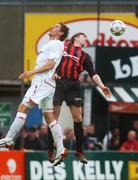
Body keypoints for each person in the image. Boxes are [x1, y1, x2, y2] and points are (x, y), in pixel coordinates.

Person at [0, 22, 69, 166]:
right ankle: (61, 148)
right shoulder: (55, 45)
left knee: (23, 108)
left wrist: (31, 72)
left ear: (61, 33)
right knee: (49, 117)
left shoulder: (55, 43)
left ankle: (8, 139)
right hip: (48, 84)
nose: (52, 27)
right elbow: (55, 64)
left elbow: (51, 64)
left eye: (56, 27)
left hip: (42, 82)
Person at [48, 32, 112, 164]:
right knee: (53, 118)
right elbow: (50, 59)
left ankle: (80, 151)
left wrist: (102, 86)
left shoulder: (84, 56)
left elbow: (93, 74)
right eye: (84, 36)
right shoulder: (63, 46)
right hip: (58, 83)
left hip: (73, 86)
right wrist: (52, 73)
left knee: (78, 118)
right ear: (76, 38)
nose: (86, 38)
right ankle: (51, 149)